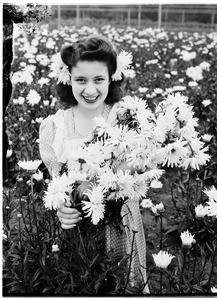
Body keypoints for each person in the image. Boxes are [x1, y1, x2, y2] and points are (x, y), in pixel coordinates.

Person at [39, 35, 149, 294]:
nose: (90, 90)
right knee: (82, 283)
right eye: (81, 80)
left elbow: (134, 169)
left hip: (120, 223)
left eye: (99, 79)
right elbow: (56, 183)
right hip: (76, 227)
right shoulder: (55, 127)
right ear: (68, 79)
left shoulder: (127, 119)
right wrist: (62, 207)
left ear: (112, 78)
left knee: (121, 283)